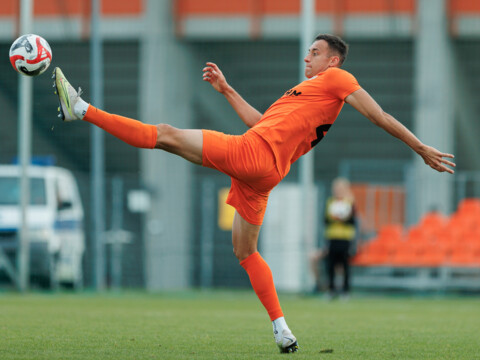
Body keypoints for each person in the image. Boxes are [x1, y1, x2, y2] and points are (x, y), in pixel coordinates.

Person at [53, 34, 455, 353]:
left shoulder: (337, 79)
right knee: (245, 251)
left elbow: (377, 115)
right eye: (308, 52)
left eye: (315, 52)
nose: (307, 57)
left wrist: (420, 148)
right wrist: (227, 90)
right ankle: (282, 331)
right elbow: (261, 121)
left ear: (333, 60)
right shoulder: (305, 93)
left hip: (253, 155)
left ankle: (82, 109)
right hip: (263, 172)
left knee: (166, 135)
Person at [324, 177, 357, 299]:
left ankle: (345, 291)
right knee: (331, 265)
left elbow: (353, 221)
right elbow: (326, 220)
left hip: (345, 239)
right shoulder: (330, 202)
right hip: (332, 237)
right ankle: (331, 290)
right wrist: (334, 217)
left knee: (345, 266)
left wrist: (345, 217)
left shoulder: (350, 203)